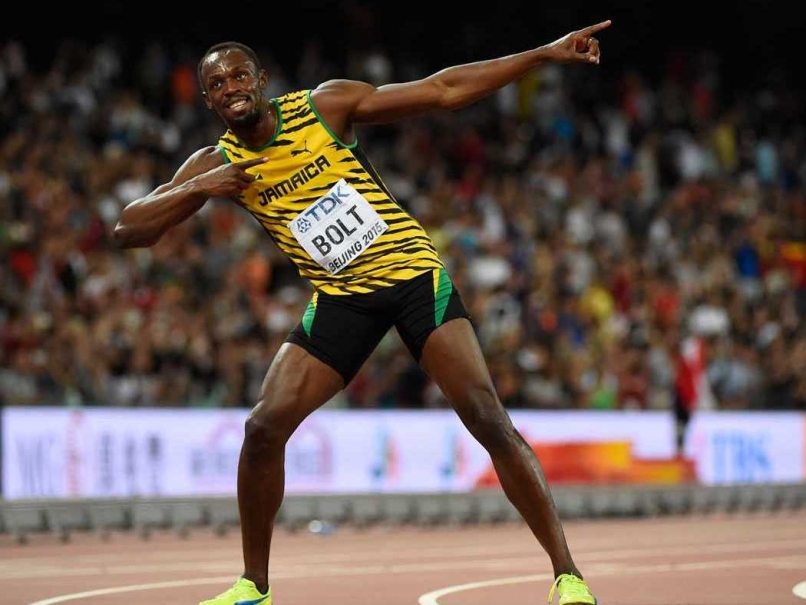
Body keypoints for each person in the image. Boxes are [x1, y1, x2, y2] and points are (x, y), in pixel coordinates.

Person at [114, 20, 611, 605]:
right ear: (207, 100)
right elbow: (128, 229)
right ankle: (253, 586)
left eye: (239, 75)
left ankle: (567, 576)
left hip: (411, 277)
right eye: (217, 84)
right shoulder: (216, 162)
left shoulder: (324, 107)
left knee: (485, 415)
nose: (231, 88)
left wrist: (543, 55)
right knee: (262, 428)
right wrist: (200, 188)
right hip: (342, 298)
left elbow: (443, 90)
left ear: (262, 80)